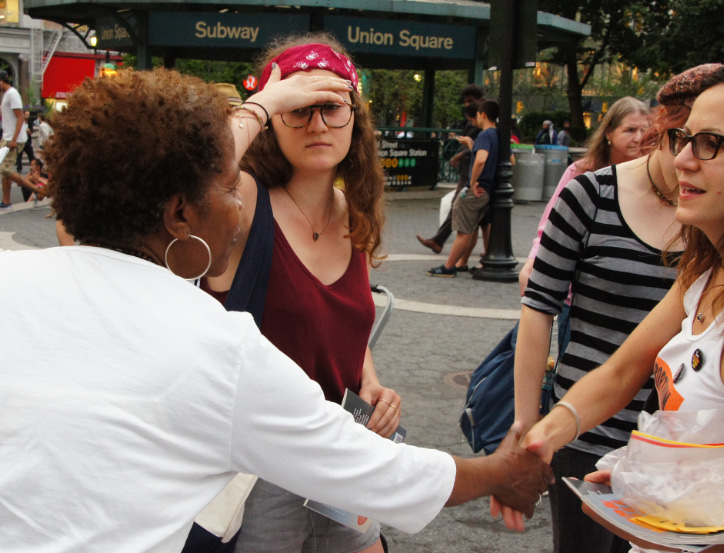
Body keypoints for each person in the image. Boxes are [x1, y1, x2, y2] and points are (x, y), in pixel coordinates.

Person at [0, 67, 553, 552]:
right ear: (178, 213)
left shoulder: (11, 280)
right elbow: (375, 471)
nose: (242, 204)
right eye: (228, 187)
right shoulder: (216, 346)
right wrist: (503, 472)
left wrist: (262, 105)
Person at [506, 61, 724, 551]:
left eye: (710, 144)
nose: (682, 159)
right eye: (682, 138)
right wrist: (542, 437)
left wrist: (666, 533)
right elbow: (624, 371)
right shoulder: (704, 270)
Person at [518, 97, 651, 296]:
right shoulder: (580, 172)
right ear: (609, 133)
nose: (639, 138)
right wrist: (533, 262)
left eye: (644, 131)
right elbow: (550, 227)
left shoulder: (654, 177)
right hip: (576, 292)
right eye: (630, 130)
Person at [426, 99, 499, 277]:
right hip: (488, 189)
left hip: (478, 189)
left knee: (463, 230)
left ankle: (449, 267)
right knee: (471, 228)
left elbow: (481, 160)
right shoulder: (497, 135)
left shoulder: (485, 135)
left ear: (483, 114)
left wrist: (473, 183)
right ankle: (460, 263)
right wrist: (470, 144)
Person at [416, 102, 480, 259]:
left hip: (472, 176)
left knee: (460, 208)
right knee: (466, 213)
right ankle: (455, 255)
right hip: (472, 175)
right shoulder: (477, 127)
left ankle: (450, 258)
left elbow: (480, 157)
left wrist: (461, 155)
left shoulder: (481, 130)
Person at [0, 70, 31, 209]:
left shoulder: (12, 94)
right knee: (5, 171)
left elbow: (20, 116)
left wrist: (13, 139)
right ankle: (6, 201)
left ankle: (37, 189)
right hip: (7, 137)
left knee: (4, 170)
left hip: (14, 139)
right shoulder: (7, 94)